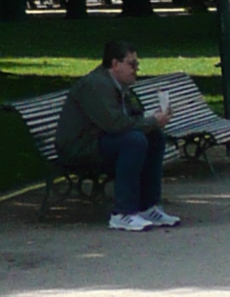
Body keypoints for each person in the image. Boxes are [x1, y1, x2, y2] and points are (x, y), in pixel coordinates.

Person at [55, 39, 181, 230]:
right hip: (81, 147)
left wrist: (154, 118)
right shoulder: (95, 85)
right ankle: (123, 212)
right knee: (134, 141)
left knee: (154, 137)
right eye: (132, 64)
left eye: (136, 64)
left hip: (102, 140)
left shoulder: (118, 84)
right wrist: (152, 121)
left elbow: (131, 116)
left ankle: (148, 206)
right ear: (115, 64)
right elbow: (115, 124)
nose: (136, 69)